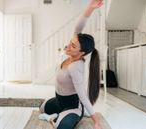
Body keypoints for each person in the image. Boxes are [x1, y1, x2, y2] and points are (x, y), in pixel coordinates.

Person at [39, 0, 103, 129]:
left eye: (73, 46)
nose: (68, 46)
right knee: (41, 109)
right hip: (59, 101)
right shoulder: (71, 53)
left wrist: (96, 121)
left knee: (61, 127)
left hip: (73, 106)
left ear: (82, 52)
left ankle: (65, 116)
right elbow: (78, 27)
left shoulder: (76, 67)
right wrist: (90, 7)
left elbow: (83, 96)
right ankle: (58, 114)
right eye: (70, 42)